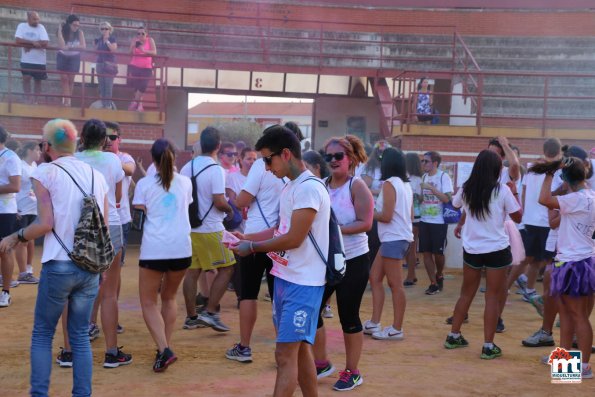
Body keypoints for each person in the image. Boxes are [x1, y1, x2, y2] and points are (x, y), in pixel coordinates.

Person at [0, 118, 108, 395]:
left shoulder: (46, 173)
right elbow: (103, 227)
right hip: (89, 267)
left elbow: (45, 223)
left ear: (47, 146)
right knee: (80, 336)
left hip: (59, 264)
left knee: (42, 335)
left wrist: (15, 237)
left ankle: (39, 393)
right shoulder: (97, 176)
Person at [231, 125, 330, 397]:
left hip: (303, 284)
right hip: (287, 279)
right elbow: (280, 231)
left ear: (285, 154)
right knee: (298, 354)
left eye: (267, 159)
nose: (265, 167)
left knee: (284, 355)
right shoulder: (291, 187)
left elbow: (294, 238)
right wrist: (246, 236)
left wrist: (252, 246)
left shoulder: (308, 188)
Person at [225, 126, 296, 364]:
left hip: (255, 236)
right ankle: (282, 353)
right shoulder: (294, 170)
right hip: (281, 237)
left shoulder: (260, 165)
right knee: (280, 297)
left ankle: (244, 347)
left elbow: (243, 199)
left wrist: (239, 200)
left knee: (248, 294)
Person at [445, 150, 522, 360]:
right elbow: (518, 216)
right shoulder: (503, 190)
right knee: (492, 297)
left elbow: (455, 204)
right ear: (497, 169)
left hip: (472, 249)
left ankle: (453, 335)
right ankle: (488, 346)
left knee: (466, 293)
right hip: (497, 249)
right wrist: (514, 192)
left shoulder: (467, 188)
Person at [313, 136, 373, 391]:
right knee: (313, 309)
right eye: (329, 156)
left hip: (354, 259)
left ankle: (353, 371)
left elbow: (366, 223)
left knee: (349, 315)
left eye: (339, 156)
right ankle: (322, 362)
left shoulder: (356, 187)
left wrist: (336, 229)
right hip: (325, 260)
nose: (333, 161)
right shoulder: (321, 185)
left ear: (351, 159)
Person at [531, 156, 594, 379]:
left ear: (566, 179)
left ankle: (584, 367)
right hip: (583, 260)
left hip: (571, 262)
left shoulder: (575, 199)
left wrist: (549, 173)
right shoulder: (590, 196)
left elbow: (544, 199)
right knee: (570, 315)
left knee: (576, 316)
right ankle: (566, 365)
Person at [133, 139, 192, 372]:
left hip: (154, 249)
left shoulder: (145, 184)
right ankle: (164, 350)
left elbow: (140, 214)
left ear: (153, 160)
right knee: (169, 298)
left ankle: (164, 349)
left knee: (148, 301)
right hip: (181, 248)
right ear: (174, 157)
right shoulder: (186, 183)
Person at [75, 119, 130, 368]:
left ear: (83, 137)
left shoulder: (75, 160)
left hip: (82, 226)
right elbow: (118, 197)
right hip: (112, 224)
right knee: (109, 292)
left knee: (79, 289)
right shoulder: (113, 160)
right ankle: (111, 352)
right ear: (106, 140)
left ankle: (72, 348)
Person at [180, 127, 235, 332]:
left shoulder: (186, 168)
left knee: (192, 272)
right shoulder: (216, 170)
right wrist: (230, 210)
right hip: (212, 228)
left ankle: (191, 317)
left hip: (191, 228)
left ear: (201, 144)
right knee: (227, 267)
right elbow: (219, 201)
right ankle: (211, 312)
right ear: (218, 146)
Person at [364, 148, 413, 342]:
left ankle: (396, 328)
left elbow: (386, 216)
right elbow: (408, 215)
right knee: (375, 277)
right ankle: (375, 322)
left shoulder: (390, 184)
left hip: (393, 238)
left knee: (395, 285)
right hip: (395, 238)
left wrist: (366, 214)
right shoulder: (405, 185)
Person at [419, 151, 453, 295]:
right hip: (424, 219)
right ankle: (433, 283)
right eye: (422, 161)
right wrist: (417, 196)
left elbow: (447, 199)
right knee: (426, 252)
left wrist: (432, 188)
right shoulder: (424, 176)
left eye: (426, 161)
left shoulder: (443, 177)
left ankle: (439, 274)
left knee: (438, 253)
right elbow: (422, 199)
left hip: (439, 221)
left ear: (435, 163)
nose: (423, 164)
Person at [0, 126, 22, 306]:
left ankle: (5, 292)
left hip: (5, 211)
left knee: (4, 250)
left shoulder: (11, 158)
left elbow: (15, 186)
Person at [15, 141, 41, 284]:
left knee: (31, 240)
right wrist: (14, 208)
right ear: (29, 151)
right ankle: (22, 273)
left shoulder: (34, 166)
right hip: (22, 209)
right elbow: (14, 185)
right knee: (22, 242)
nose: (39, 152)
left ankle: (28, 270)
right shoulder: (19, 165)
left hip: (33, 208)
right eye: (37, 150)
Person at [15, 11, 49, 104]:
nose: (37, 21)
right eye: (34, 19)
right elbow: (18, 40)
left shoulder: (41, 27)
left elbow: (45, 42)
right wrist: (32, 42)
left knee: (38, 81)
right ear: (28, 19)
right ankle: (28, 99)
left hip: (40, 60)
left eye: (38, 19)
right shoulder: (22, 26)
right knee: (26, 78)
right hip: (26, 59)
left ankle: (36, 101)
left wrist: (29, 46)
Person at [56, 14, 85, 107]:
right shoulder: (63, 31)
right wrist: (60, 30)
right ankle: (66, 102)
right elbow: (62, 46)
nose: (76, 27)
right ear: (68, 24)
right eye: (74, 25)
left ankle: (68, 101)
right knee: (64, 79)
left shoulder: (80, 32)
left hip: (74, 57)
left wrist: (71, 46)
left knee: (71, 80)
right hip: (62, 56)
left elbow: (83, 46)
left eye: (78, 25)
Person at [404, 152, 422, 286]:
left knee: (411, 246)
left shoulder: (414, 180)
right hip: (412, 215)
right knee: (411, 246)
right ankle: (411, 274)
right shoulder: (417, 179)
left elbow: (421, 199)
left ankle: (411, 274)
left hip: (413, 216)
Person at [127, 26, 156, 112]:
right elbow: (129, 53)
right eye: (138, 33)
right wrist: (132, 46)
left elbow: (154, 52)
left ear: (146, 34)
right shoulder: (134, 40)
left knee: (143, 85)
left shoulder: (150, 40)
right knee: (137, 86)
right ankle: (139, 105)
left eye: (142, 33)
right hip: (135, 65)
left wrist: (143, 50)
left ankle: (135, 102)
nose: (140, 35)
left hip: (147, 67)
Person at [95, 22, 118, 109]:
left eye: (106, 28)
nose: (104, 30)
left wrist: (107, 41)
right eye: (102, 29)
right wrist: (100, 41)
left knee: (108, 85)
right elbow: (95, 50)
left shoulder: (112, 39)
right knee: (101, 86)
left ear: (110, 30)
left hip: (109, 64)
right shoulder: (98, 39)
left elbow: (113, 50)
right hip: (100, 63)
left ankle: (107, 105)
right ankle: (103, 104)